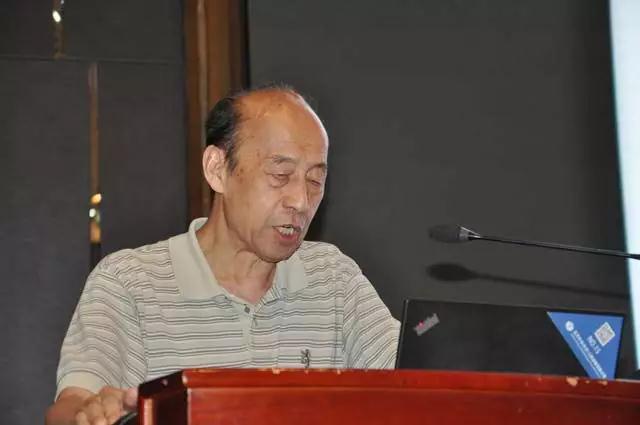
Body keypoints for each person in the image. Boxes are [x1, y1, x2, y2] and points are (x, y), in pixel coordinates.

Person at [45, 84, 400, 425]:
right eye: (281, 174)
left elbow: (415, 380)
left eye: (315, 181)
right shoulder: (129, 283)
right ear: (217, 169)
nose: (301, 201)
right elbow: (71, 406)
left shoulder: (333, 277)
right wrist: (90, 413)